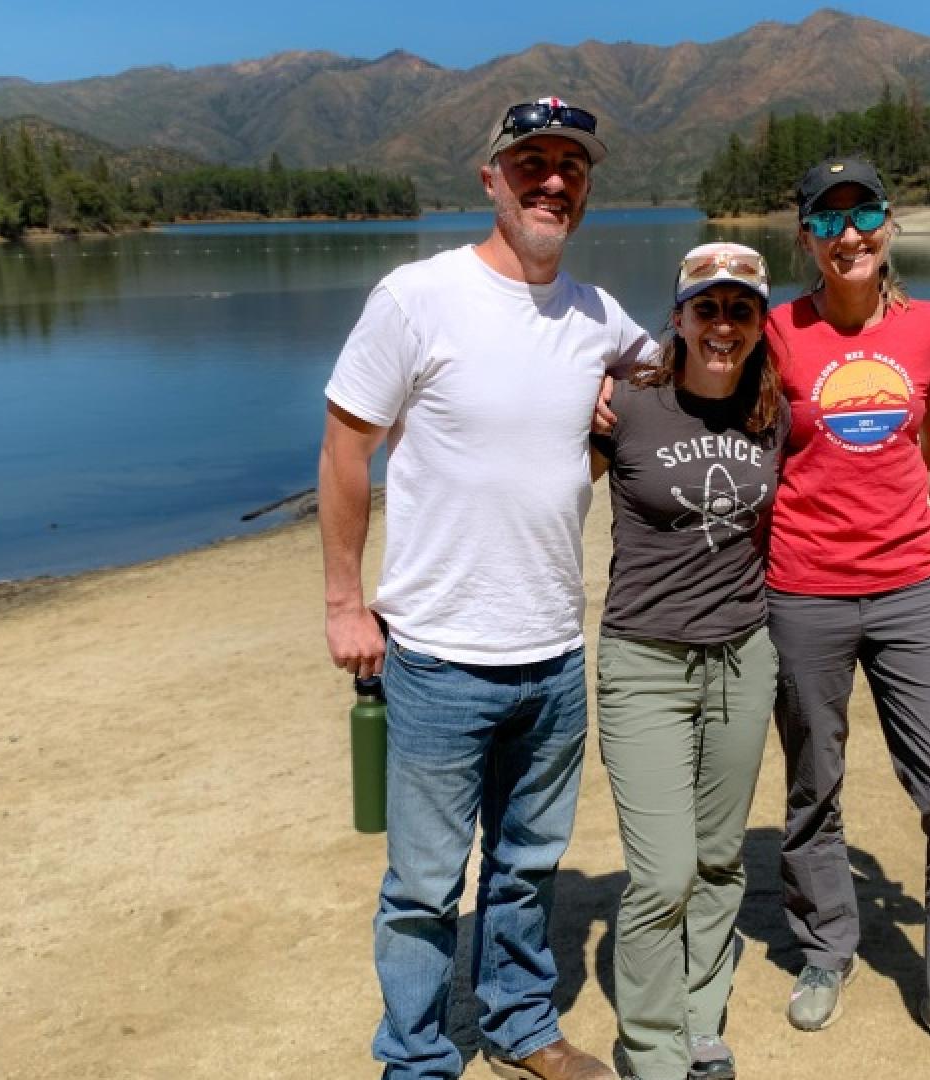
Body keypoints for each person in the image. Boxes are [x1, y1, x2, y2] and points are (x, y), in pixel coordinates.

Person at [320, 97, 649, 1080]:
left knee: (527, 866)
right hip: (436, 657)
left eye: (572, 166)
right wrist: (345, 600)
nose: (553, 180)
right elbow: (346, 446)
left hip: (552, 652)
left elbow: (668, 371)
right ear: (491, 180)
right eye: (531, 162)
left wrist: (619, 408)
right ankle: (417, 1059)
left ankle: (517, 1026)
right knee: (423, 886)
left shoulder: (596, 315)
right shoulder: (418, 297)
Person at [765, 158, 930, 1080]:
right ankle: (826, 948)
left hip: (913, 590)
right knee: (814, 786)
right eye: (828, 219)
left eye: (865, 214)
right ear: (803, 237)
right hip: (801, 591)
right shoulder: (771, 333)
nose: (850, 235)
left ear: (889, 224)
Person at [589, 243, 787, 1080]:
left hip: (744, 657)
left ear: (758, 324)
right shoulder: (627, 405)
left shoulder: (771, 409)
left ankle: (702, 1016)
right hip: (644, 663)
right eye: (707, 307)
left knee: (718, 857)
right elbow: (538, 483)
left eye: (741, 310)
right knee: (661, 872)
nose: (723, 325)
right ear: (677, 317)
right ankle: (651, 1045)